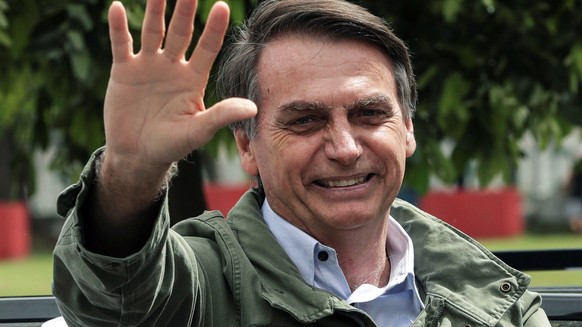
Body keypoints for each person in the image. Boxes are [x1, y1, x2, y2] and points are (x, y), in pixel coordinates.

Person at [51, 0, 551, 326]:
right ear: (247, 146)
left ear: (409, 129)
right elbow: (117, 296)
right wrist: (133, 171)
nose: (345, 147)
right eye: (306, 121)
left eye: (370, 114)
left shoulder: (499, 302)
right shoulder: (201, 290)